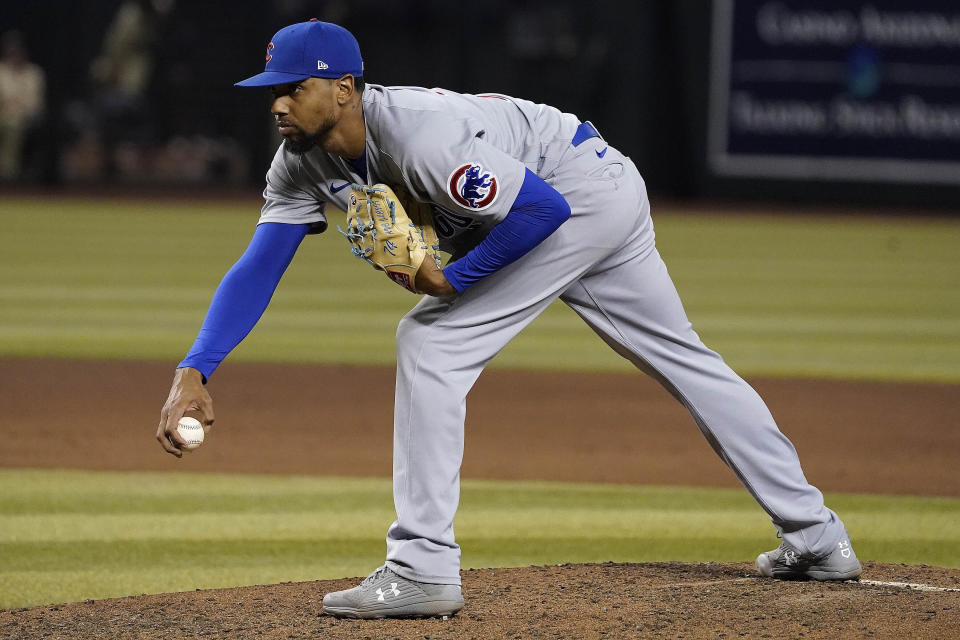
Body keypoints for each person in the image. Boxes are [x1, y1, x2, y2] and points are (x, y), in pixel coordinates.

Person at [156, 20, 862, 619]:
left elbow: (542, 210)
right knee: (684, 359)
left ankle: (423, 566)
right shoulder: (298, 165)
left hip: (579, 193)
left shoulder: (422, 138)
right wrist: (195, 368)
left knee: (430, 343)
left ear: (344, 88)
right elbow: (258, 266)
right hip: (598, 182)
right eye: (270, 92)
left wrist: (449, 280)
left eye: (293, 88)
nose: (277, 104)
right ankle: (817, 536)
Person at [0, 31, 45, 180]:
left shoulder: (34, 73)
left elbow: (35, 103)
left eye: (18, 52)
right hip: (3, 115)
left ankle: (7, 173)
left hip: (23, 117)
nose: (15, 56)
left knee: (14, 125)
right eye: (12, 52)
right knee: (10, 122)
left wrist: (17, 107)